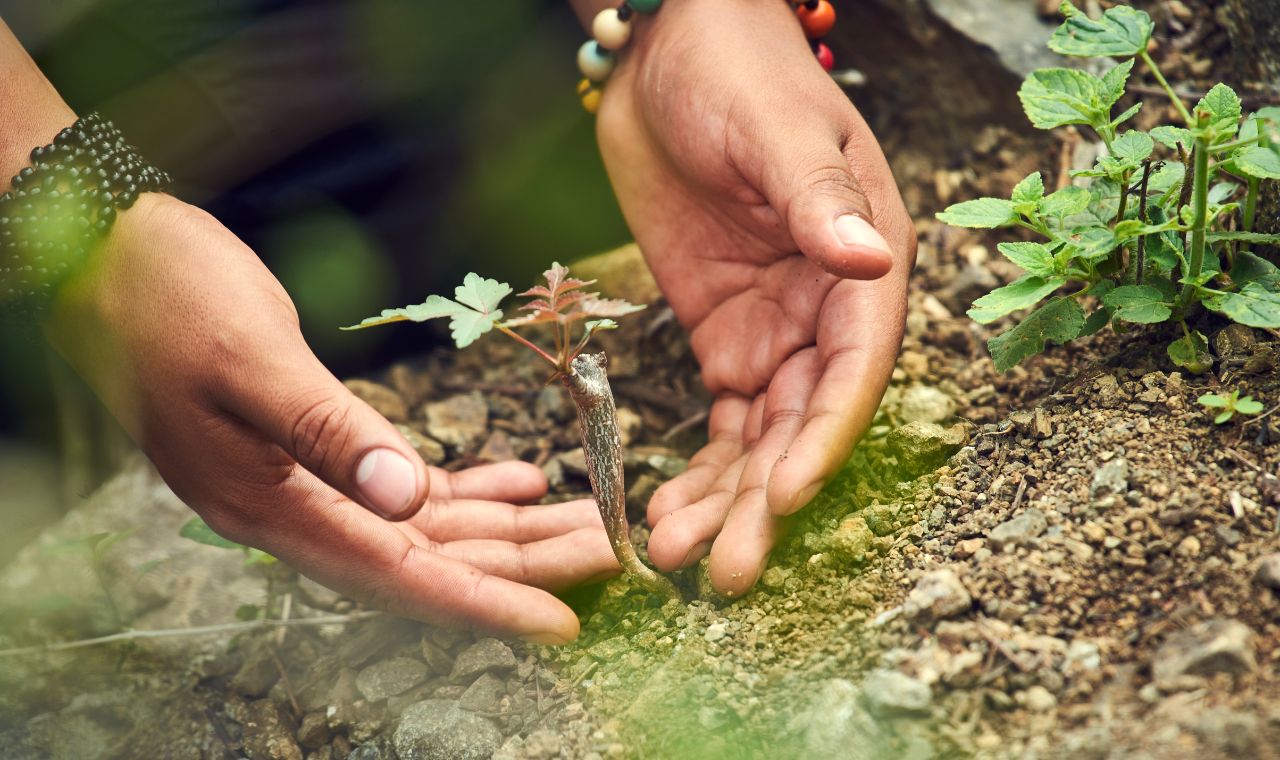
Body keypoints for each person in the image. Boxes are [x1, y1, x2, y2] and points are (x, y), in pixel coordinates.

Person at [0, 0, 914, 645]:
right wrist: (69, 233)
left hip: (439, 59)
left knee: (418, 204)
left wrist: (671, 11)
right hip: (99, 76)